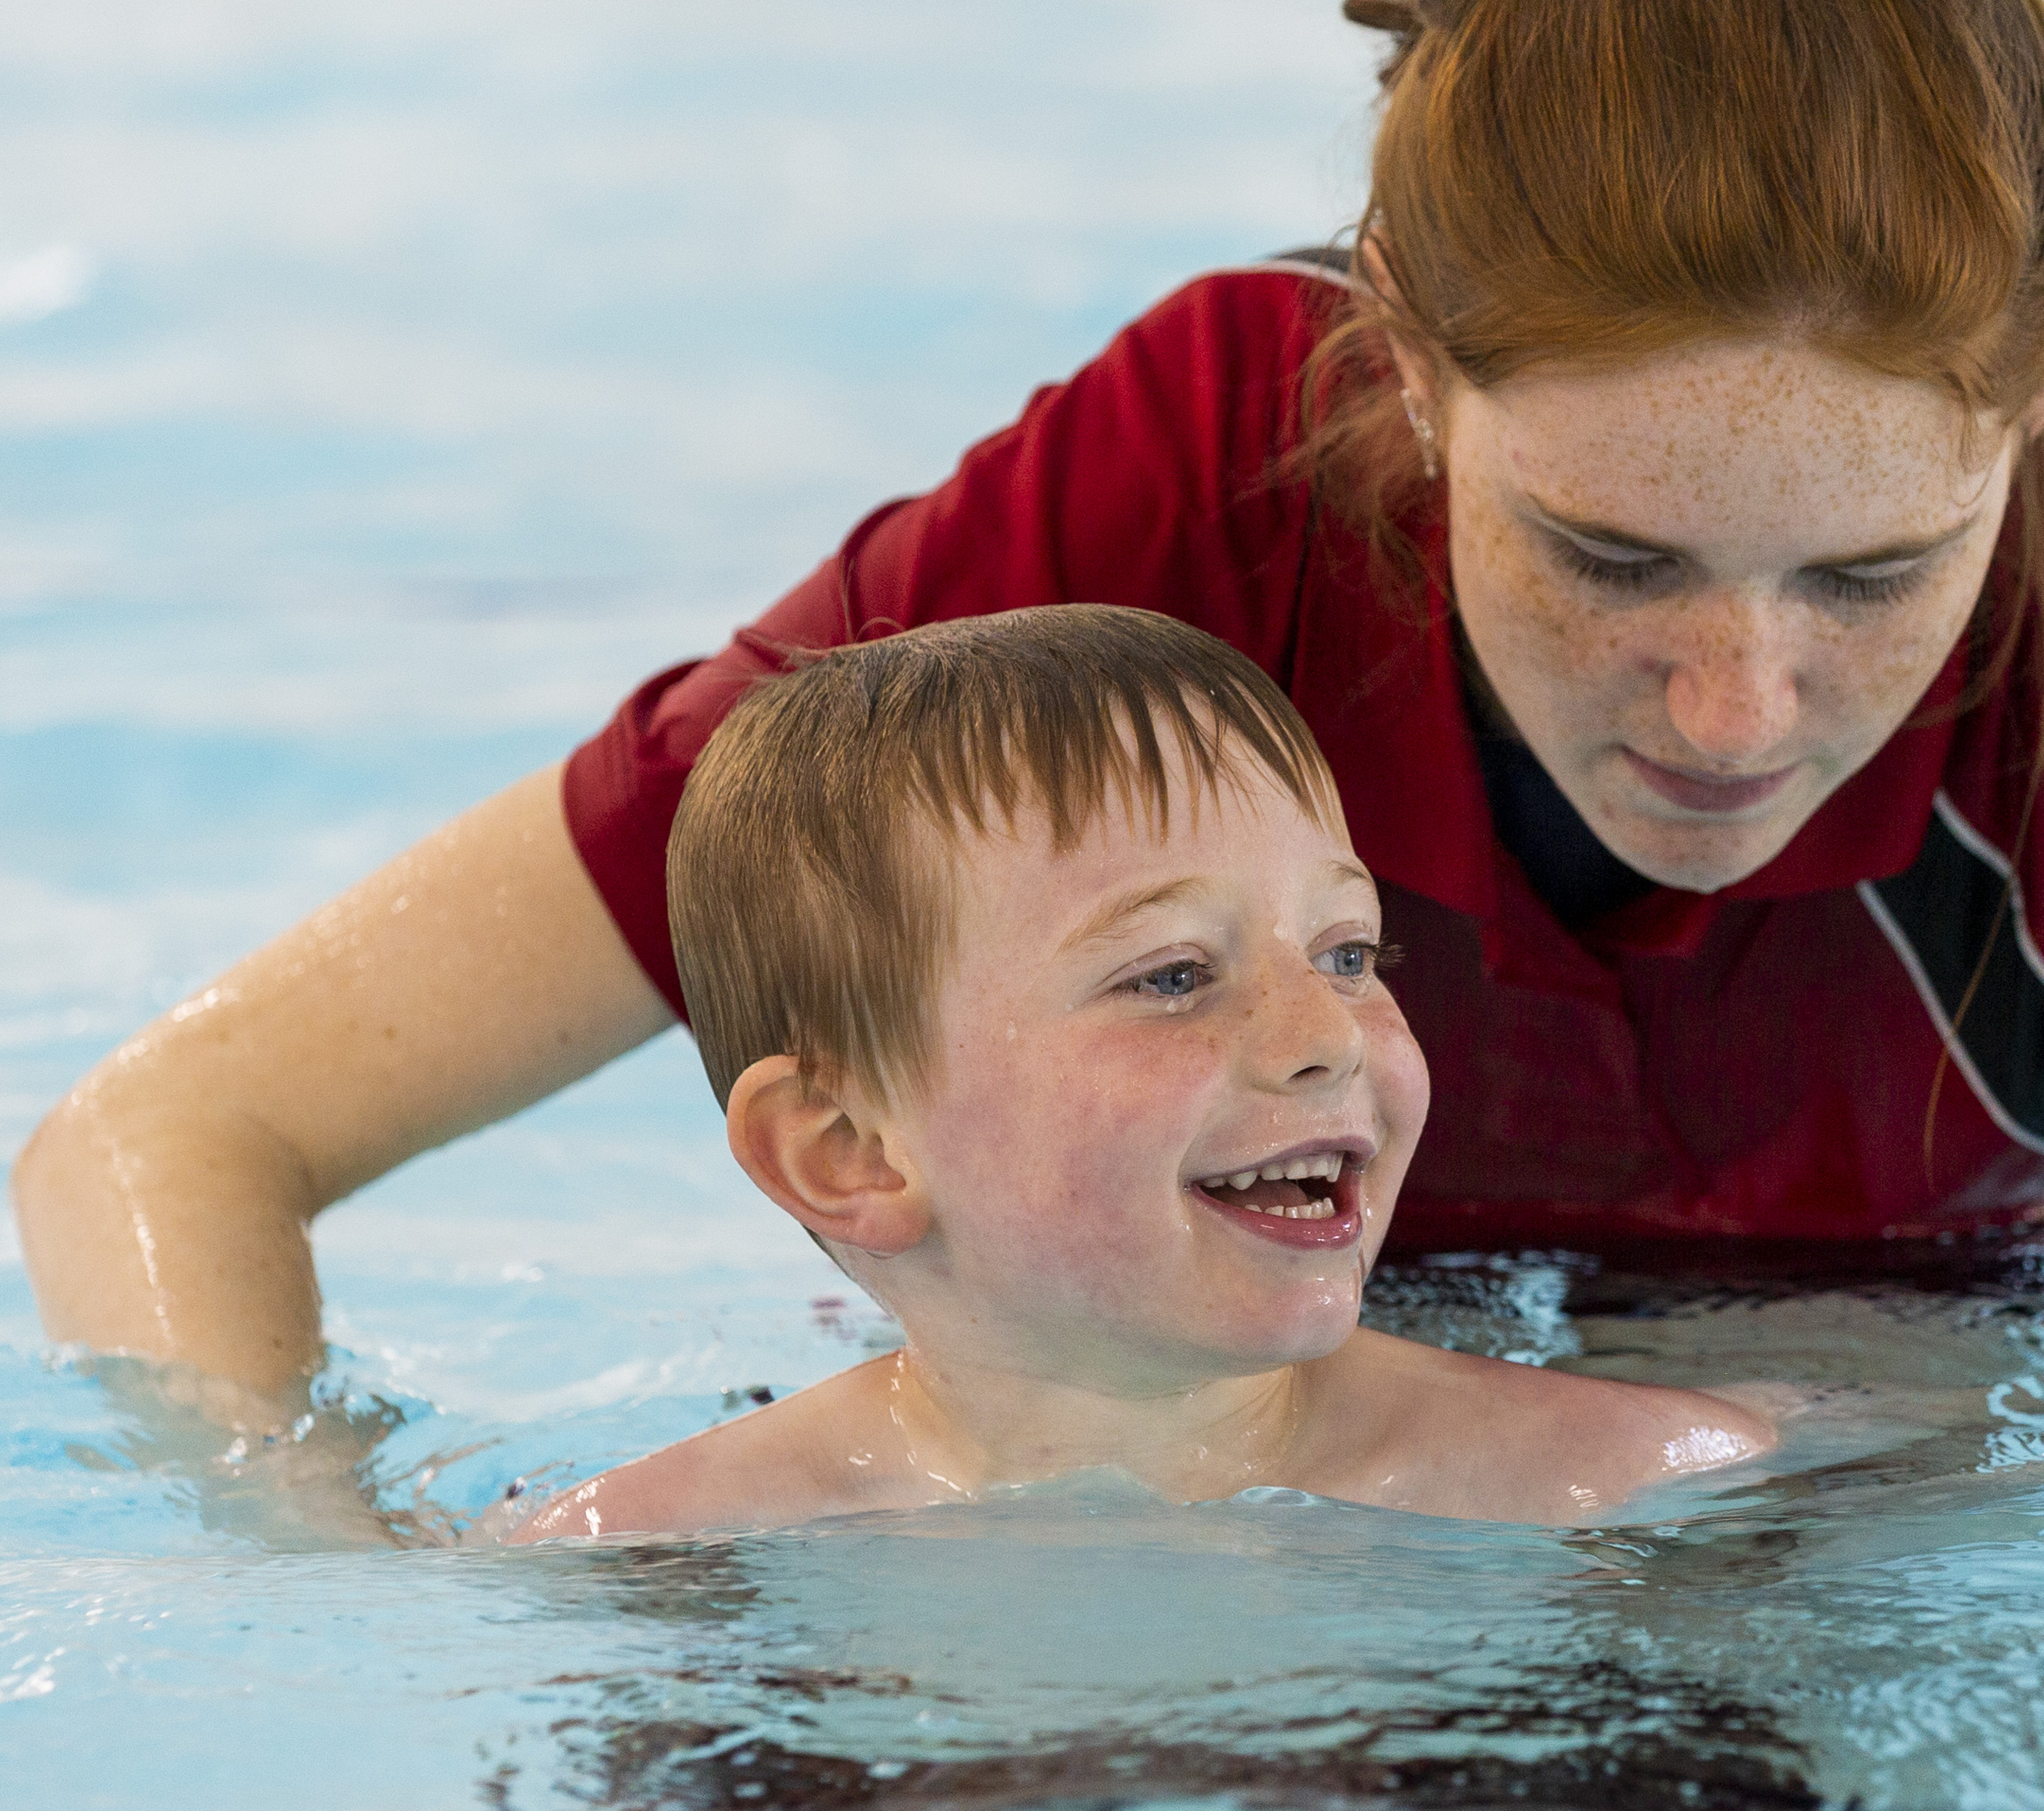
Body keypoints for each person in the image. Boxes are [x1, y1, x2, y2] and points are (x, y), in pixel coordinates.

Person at [15, 0, 2044, 1422]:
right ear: (1400, 378)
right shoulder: (1174, 498)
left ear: (2043, 413)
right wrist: (307, 1582)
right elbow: (179, 1134)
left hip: (1865, 1448)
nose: (1738, 707)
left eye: (1870, 575)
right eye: (1609, 557)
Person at [489, 606, 1772, 1539]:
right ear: (848, 1152)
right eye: (1172, 976)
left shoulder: (1622, 1480)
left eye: (1346, 952)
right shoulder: (665, 1550)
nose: (1323, 1034)